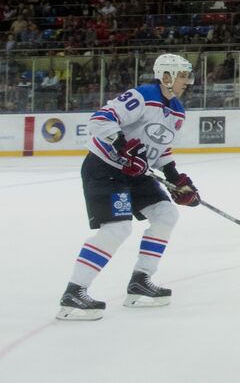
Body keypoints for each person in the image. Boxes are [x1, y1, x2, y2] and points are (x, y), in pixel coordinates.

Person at [56, 53, 201, 320]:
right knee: (117, 228)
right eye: (182, 75)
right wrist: (123, 146)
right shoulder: (142, 95)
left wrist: (175, 177)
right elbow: (100, 119)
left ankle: (140, 281)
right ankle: (74, 292)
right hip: (106, 168)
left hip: (135, 173)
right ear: (166, 76)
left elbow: (161, 147)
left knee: (166, 214)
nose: (187, 81)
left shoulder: (178, 110)